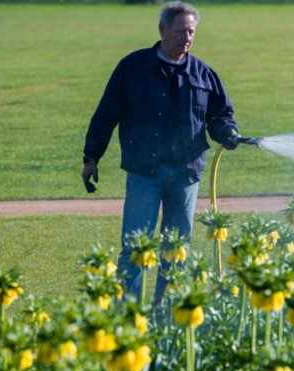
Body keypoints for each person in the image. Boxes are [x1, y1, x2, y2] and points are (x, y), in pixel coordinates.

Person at [82, 1, 238, 303]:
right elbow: (106, 114)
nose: (187, 38)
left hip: (186, 176)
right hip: (144, 174)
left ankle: (166, 314)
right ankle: (127, 315)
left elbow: (220, 116)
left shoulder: (203, 73)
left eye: (191, 32)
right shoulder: (133, 67)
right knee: (135, 248)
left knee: (176, 250)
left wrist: (228, 133)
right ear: (162, 29)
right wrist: (92, 157)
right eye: (180, 31)